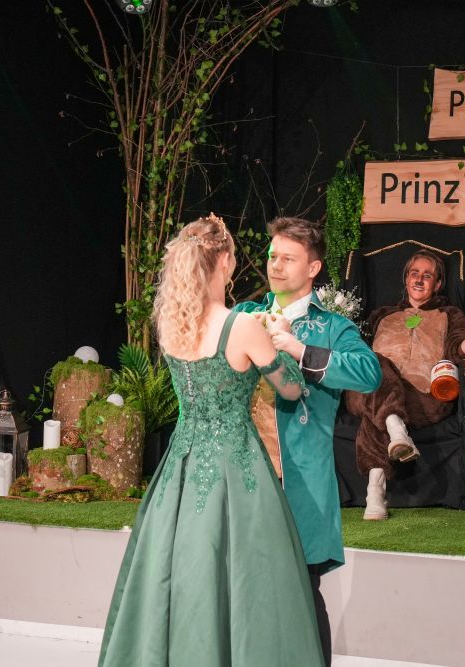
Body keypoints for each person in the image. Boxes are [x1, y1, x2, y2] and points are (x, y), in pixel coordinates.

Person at [99, 215, 325, 666]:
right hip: (239, 467)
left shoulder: (170, 325)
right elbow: (291, 389)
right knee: (247, 578)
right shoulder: (242, 326)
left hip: (179, 469)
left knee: (176, 568)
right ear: (223, 261)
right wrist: (280, 339)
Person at [235, 216, 382, 666]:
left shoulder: (331, 327)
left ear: (313, 268)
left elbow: (369, 373)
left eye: (288, 258)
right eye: (272, 256)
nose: (275, 266)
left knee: (301, 587)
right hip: (244, 473)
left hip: (299, 477)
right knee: (242, 586)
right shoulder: (243, 315)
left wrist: (297, 349)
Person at [344, 250, 465, 520]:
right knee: (374, 365)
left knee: (377, 411)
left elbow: (459, 351)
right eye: (414, 273)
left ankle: (376, 492)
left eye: (427, 276)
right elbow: (356, 354)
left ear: (438, 284)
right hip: (366, 389)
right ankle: (396, 429)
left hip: (423, 397)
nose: (419, 279)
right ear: (405, 279)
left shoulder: (449, 314)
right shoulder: (382, 315)